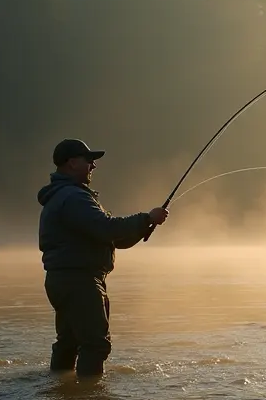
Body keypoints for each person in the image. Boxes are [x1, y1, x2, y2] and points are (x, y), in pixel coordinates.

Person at [37, 138, 169, 377]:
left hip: (64, 280)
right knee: (96, 345)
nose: (93, 165)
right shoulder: (73, 197)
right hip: (80, 282)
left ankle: (58, 388)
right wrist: (146, 218)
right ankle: (91, 396)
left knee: (69, 342)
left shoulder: (64, 196)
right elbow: (107, 228)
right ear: (72, 163)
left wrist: (145, 225)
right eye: (89, 160)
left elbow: (112, 239)